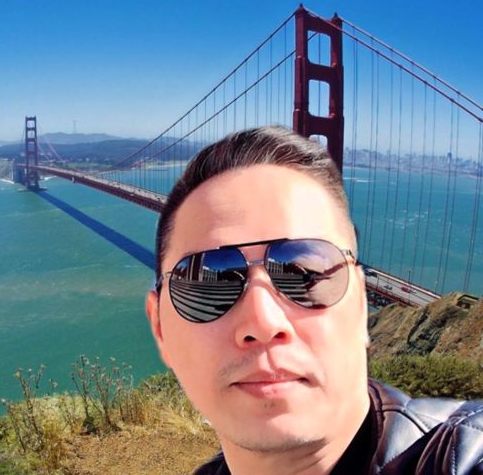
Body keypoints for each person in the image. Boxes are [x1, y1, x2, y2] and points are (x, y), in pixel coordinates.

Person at [144, 126, 483, 474]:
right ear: (160, 329)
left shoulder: (463, 454)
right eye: (206, 280)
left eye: (306, 272)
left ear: (360, 306)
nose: (264, 321)